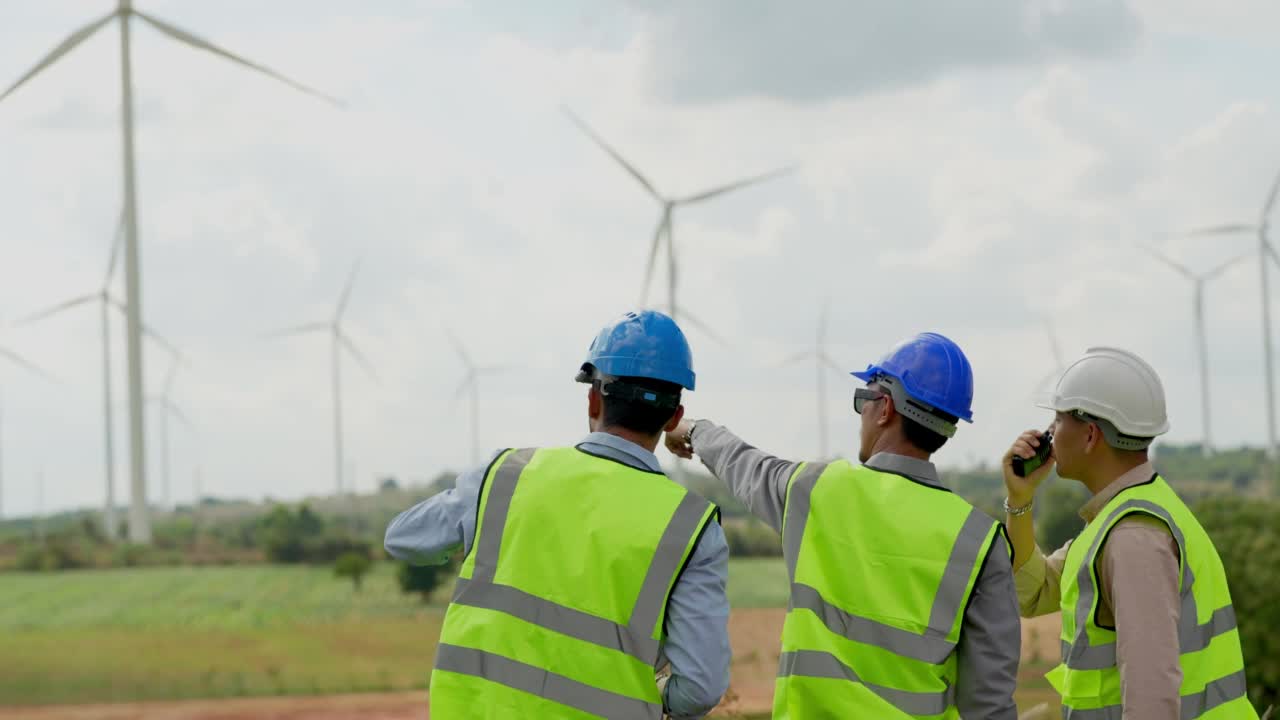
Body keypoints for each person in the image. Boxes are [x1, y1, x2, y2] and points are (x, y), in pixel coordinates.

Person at [385, 310, 730, 719]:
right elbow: (700, 688)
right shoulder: (692, 526)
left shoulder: (508, 475)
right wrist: (648, 693)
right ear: (674, 416)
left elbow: (403, 538)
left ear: (593, 398)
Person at [667, 332, 1020, 719]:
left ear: (884, 408)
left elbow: (747, 465)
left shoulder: (818, 491)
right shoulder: (981, 540)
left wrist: (695, 431)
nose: (862, 415)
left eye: (862, 401)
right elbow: (989, 703)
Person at [1004, 346, 1256, 719]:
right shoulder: (1120, 518)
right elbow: (1034, 593)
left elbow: (1151, 695)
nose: (1049, 434)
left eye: (1058, 420)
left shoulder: (1133, 536)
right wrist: (1020, 500)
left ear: (1090, 435)